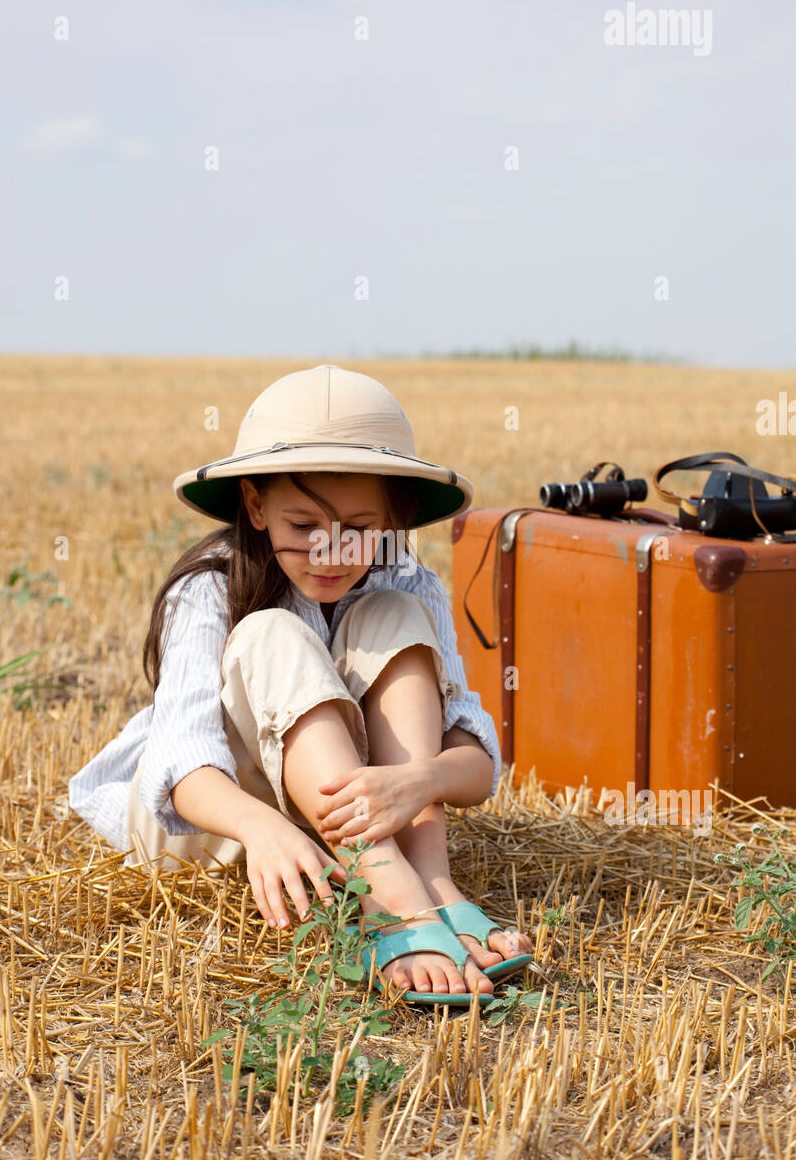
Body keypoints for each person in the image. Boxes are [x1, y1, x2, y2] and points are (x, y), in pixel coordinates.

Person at [69, 364, 533, 1004]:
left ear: (394, 519)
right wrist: (263, 830)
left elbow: (477, 767)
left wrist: (417, 781)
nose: (332, 552)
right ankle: (389, 899)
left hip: (342, 814)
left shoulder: (409, 584)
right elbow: (184, 766)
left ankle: (432, 883)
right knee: (269, 633)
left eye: (360, 530)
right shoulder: (208, 587)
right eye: (304, 527)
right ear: (256, 507)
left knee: (395, 614)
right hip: (212, 829)